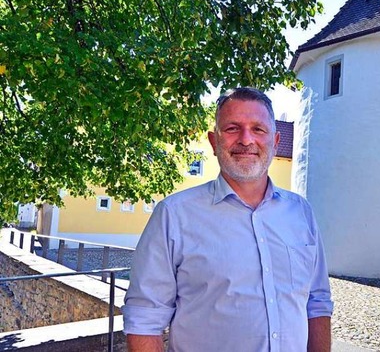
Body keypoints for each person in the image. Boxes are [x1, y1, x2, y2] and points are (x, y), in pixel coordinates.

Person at [123, 87, 333, 352]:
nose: (246, 140)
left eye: (258, 129)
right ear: (213, 141)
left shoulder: (301, 213)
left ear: (276, 140)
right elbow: (144, 319)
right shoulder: (174, 215)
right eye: (233, 128)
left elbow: (317, 303)